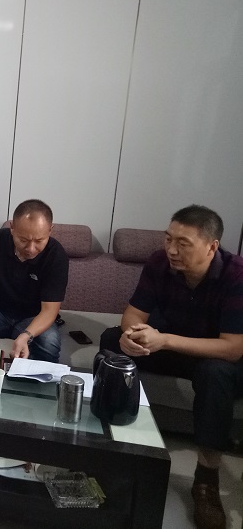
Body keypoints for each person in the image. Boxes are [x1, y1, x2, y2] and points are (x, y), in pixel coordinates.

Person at [99, 205, 243, 529]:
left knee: (214, 373)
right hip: (173, 345)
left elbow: (233, 348)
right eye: (168, 239)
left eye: (183, 243)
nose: (172, 250)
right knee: (110, 340)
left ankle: (206, 481)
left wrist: (164, 340)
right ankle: (110, 444)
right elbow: (134, 314)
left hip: (217, 358)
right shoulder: (159, 262)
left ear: (211, 247)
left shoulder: (236, 276)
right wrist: (130, 336)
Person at [0, 199, 68, 362]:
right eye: (23, 240)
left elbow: (50, 311)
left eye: (39, 241)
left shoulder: (56, 256)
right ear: (12, 228)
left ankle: (33, 379)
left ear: (50, 230)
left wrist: (26, 335)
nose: (31, 248)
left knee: (49, 343)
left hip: (34, 316)